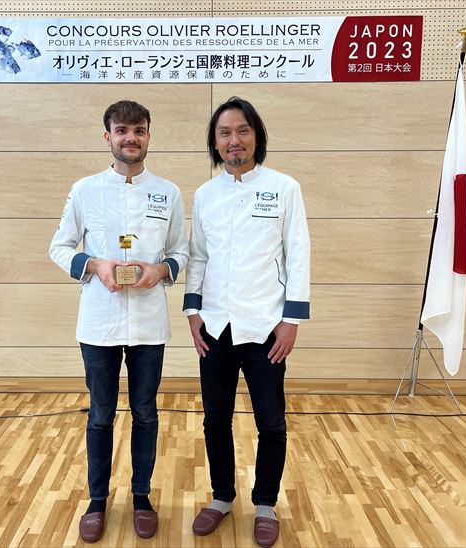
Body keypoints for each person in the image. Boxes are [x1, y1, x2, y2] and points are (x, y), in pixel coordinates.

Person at [50, 100, 188, 543]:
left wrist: (161, 269)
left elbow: (181, 252)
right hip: (99, 322)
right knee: (101, 414)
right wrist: (94, 264)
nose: (132, 138)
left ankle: (141, 496)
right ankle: (97, 499)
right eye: (123, 130)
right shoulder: (85, 190)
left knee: (146, 412)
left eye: (139, 130)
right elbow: (59, 247)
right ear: (107, 136)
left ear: (148, 136)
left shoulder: (168, 192)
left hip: (149, 322)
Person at [184, 97, 310, 548]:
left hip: (266, 328)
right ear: (215, 142)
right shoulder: (205, 194)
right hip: (215, 327)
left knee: (271, 423)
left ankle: (265, 505)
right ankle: (221, 497)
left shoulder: (285, 188)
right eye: (224, 133)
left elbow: (298, 255)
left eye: (242, 130)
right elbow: (198, 256)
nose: (233, 140)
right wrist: (193, 313)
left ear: (256, 136)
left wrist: (291, 319)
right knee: (215, 420)